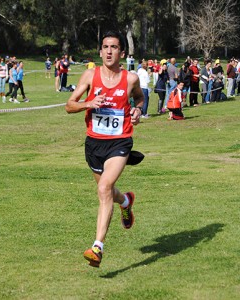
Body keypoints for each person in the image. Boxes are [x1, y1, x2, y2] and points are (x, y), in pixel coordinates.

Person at [65, 31, 144, 268]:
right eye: (105, 47)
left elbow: (140, 99)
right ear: (100, 52)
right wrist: (88, 103)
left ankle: (97, 247)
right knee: (107, 192)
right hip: (94, 143)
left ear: (122, 53)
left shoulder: (130, 79)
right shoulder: (90, 75)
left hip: (120, 141)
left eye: (114, 47)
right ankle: (126, 202)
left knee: (104, 187)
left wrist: (138, 110)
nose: (109, 51)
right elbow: (69, 105)